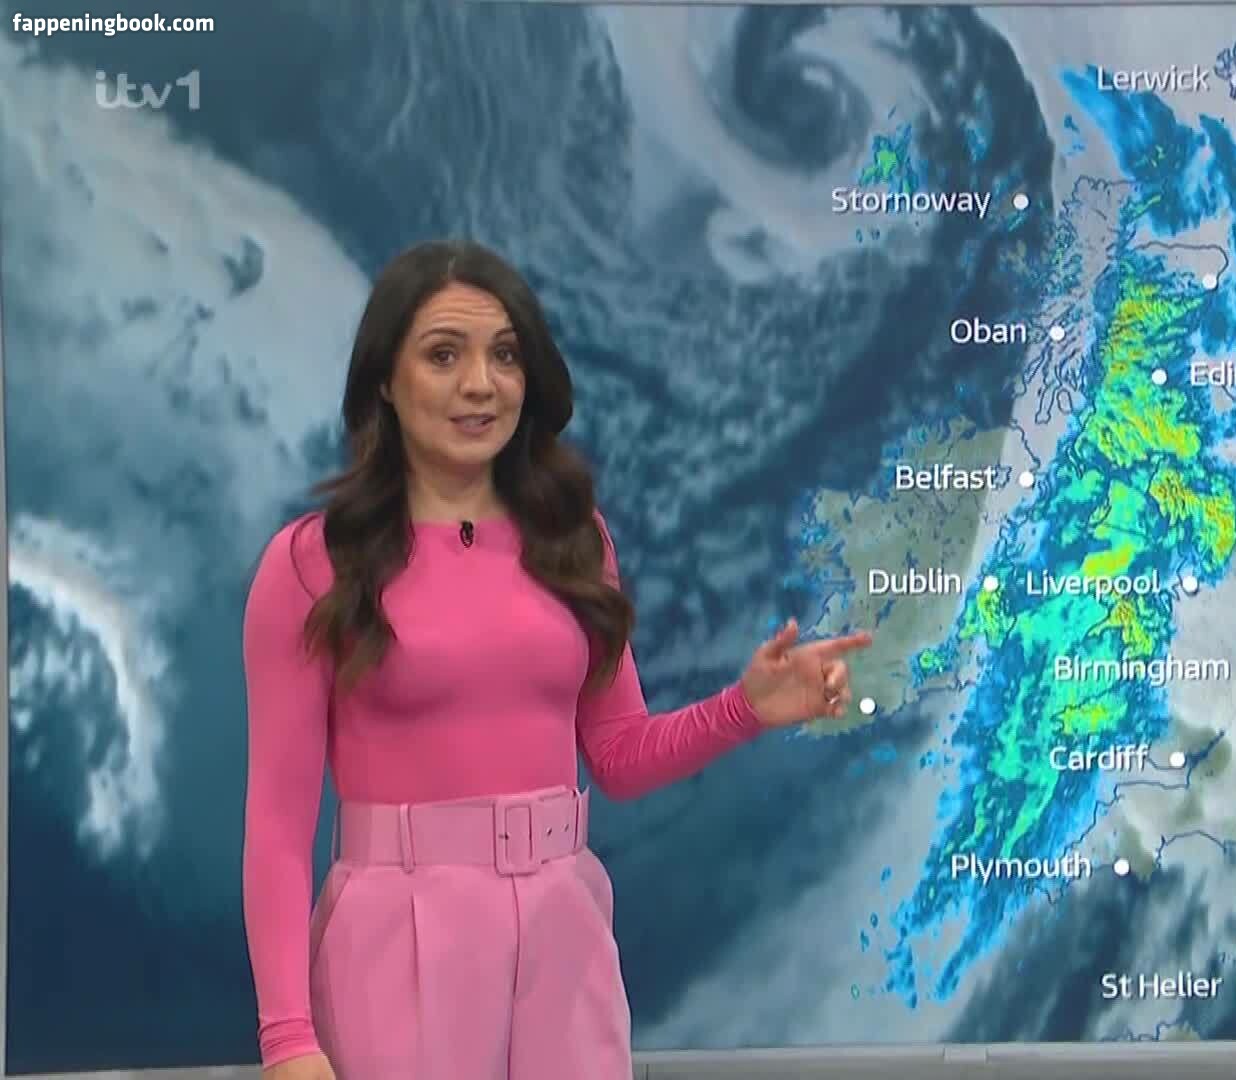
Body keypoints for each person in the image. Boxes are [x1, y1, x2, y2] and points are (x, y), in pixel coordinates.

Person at [242, 238, 873, 1080]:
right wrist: (288, 1039)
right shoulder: (311, 564)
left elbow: (619, 756)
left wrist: (745, 708)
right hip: (396, 947)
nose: (481, 383)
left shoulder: (574, 540)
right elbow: (279, 830)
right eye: (443, 355)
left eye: (505, 355)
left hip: (564, 939)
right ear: (385, 380)